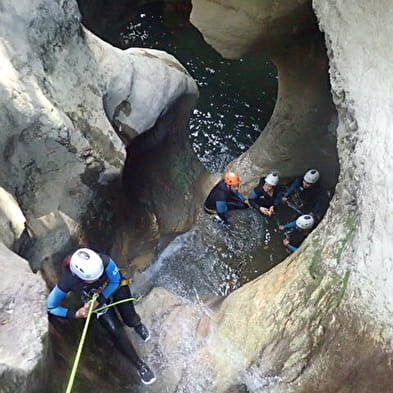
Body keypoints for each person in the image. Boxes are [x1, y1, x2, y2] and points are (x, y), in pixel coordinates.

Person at [47, 248, 156, 385]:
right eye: (94, 278)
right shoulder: (68, 280)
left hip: (113, 287)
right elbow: (51, 306)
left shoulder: (103, 261)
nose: (98, 278)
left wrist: (101, 298)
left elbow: (115, 280)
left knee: (129, 316)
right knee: (115, 330)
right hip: (94, 300)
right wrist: (76, 313)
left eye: (99, 275)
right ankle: (140, 366)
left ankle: (137, 324)